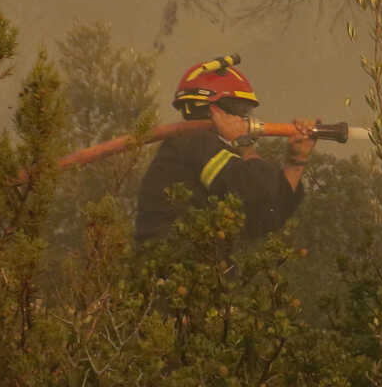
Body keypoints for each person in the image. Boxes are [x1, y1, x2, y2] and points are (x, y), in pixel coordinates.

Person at [133, 54, 315, 246]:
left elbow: (264, 217)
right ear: (216, 111)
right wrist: (243, 142)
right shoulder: (194, 142)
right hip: (174, 267)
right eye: (239, 110)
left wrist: (296, 163)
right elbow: (253, 193)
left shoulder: (197, 147)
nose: (244, 119)